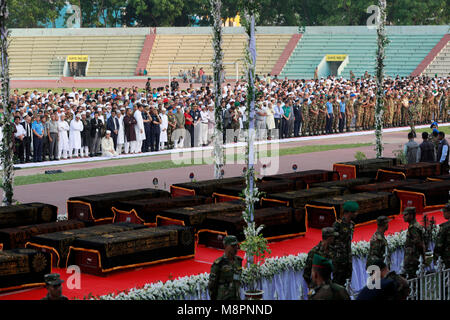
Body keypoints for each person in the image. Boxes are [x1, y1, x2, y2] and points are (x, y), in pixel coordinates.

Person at [332, 201, 358, 286]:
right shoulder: (337, 225)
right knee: (337, 283)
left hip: (347, 258)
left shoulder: (351, 225)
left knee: (346, 282)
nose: (356, 214)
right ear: (349, 212)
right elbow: (331, 241)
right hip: (338, 259)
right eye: (355, 212)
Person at [208, 235, 242, 300]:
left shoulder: (238, 261)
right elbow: (212, 285)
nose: (235, 248)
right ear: (225, 246)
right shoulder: (219, 263)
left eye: (236, 245)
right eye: (232, 246)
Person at [402, 207, 426, 279]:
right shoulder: (414, 226)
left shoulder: (414, 228)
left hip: (412, 258)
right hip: (413, 257)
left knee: (412, 279)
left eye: (406, 215)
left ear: (411, 215)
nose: (404, 217)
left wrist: (422, 255)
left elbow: (418, 243)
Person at [433, 203, 450, 269]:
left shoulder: (445, 227)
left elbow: (439, 244)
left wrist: (435, 257)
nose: (443, 213)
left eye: (444, 212)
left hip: (447, 257)